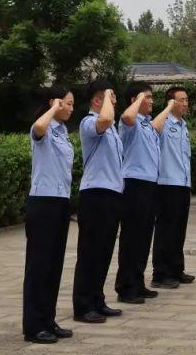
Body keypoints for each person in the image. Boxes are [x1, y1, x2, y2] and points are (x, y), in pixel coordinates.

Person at [22, 86, 75, 344]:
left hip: (61, 201)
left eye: (72, 104)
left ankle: (48, 319)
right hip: (43, 202)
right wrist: (54, 108)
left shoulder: (63, 132)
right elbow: (39, 128)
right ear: (54, 102)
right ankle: (34, 326)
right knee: (39, 266)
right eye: (67, 103)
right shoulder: (43, 128)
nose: (71, 108)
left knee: (54, 265)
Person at [72, 79, 125, 323]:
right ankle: (83, 305)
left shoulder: (111, 129)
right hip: (95, 194)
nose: (114, 101)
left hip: (112, 193)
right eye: (109, 97)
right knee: (90, 252)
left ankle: (97, 299)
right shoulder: (89, 122)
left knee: (104, 251)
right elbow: (105, 119)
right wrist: (107, 98)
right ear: (96, 101)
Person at [114, 82, 165, 304]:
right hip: (134, 184)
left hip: (150, 184)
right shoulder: (130, 123)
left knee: (144, 237)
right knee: (132, 237)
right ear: (134, 100)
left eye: (151, 97)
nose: (151, 100)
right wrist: (138, 100)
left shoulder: (146, 124)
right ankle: (125, 287)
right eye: (147, 97)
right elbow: (127, 116)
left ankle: (137, 281)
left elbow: (158, 124)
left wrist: (168, 106)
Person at [151, 86, 195, 288]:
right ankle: (160, 274)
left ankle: (176, 269)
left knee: (179, 230)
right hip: (167, 184)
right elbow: (153, 128)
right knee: (165, 230)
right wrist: (168, 108)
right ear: (170, 102)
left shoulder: (184, 125)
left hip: (183, 183)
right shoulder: (164, 122)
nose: (185, 103)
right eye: (180, 100)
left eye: (186, 100)